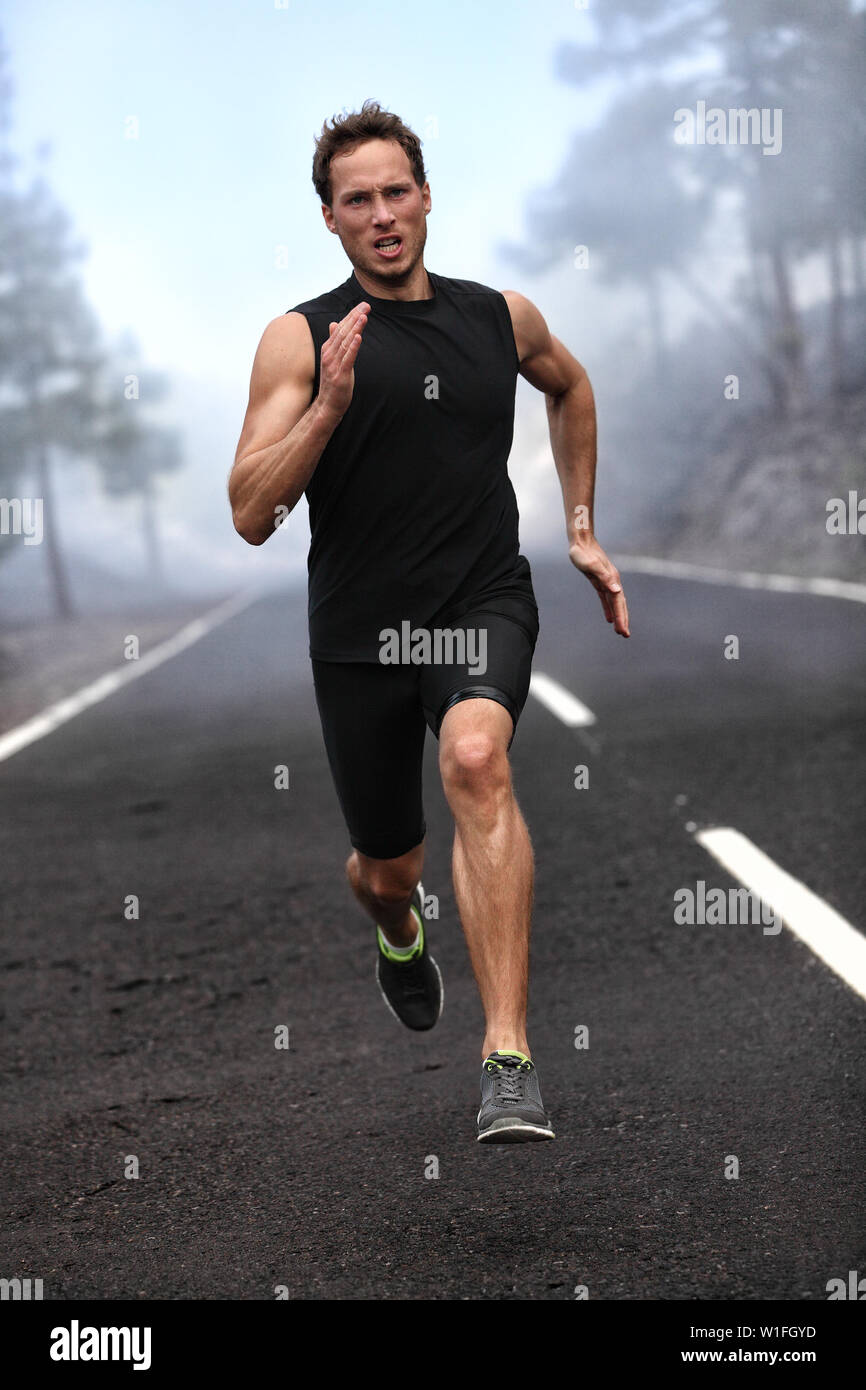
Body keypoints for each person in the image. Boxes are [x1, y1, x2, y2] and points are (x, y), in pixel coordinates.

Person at [228, 100, 629, 1143]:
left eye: (394, 191)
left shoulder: (499, 318)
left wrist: (580, 527)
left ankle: (505, 1054)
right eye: (355, 200)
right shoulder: (299, 337)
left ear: (425, 196)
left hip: (477, 600)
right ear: (329, 220)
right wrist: (326, 407)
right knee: (385, 867)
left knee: (474, 759)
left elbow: (570, 386)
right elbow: (249, 515)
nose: (381, 214)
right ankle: (399, 929)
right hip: (359, 636)